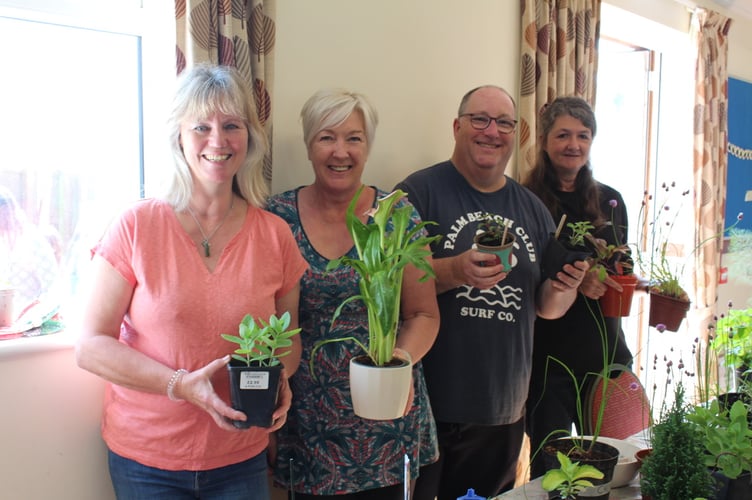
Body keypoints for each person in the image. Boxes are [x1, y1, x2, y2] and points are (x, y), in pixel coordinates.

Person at [75, 64, 308, 500]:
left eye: (231, 126)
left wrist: (281, 381)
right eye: (201, 126)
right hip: (148, 460)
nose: (217, 141)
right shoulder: (136, 226)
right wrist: (180, 385)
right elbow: (90, 346)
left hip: (241, 457)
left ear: (249, 139)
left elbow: (288, 344)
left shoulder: (275, 234)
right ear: (178, 137)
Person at [394, 85, 588, 500]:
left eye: (504, 123)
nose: (491, 132)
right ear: (457, 127)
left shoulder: (532, 208)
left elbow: (545, 308)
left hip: (503, 407)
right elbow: (390, 282)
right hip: (429, 406)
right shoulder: (419, 192)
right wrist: (456, 269)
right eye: (480, 119)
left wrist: (563, 286)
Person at [266, 89, 440, 500]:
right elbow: (268, 327)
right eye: (326, 137)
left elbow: (423, 315)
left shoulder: (397, 215)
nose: (340, 151)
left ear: (368, 146)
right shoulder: (276, 218)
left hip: (388, 422)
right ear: (309, 145)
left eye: (354, 138)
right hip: (307, 426)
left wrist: (399, 360)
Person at [523, 96, 635, 478]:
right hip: (547, 361)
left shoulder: (611, 200)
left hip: (604, 354)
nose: (573, 145)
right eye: (563, 135)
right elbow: (523, 276)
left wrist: (610, 274)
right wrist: (574, 277)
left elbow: (625, 265)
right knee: (551, 471)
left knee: (610, 466)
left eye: (583, 136)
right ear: (544, 141)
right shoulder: (526, 201)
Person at [0, 186, 59, 319]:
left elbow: (51, 288)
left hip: (30, 323)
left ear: (7, 211)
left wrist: (36, 317)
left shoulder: (33, 241)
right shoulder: (2, 243)